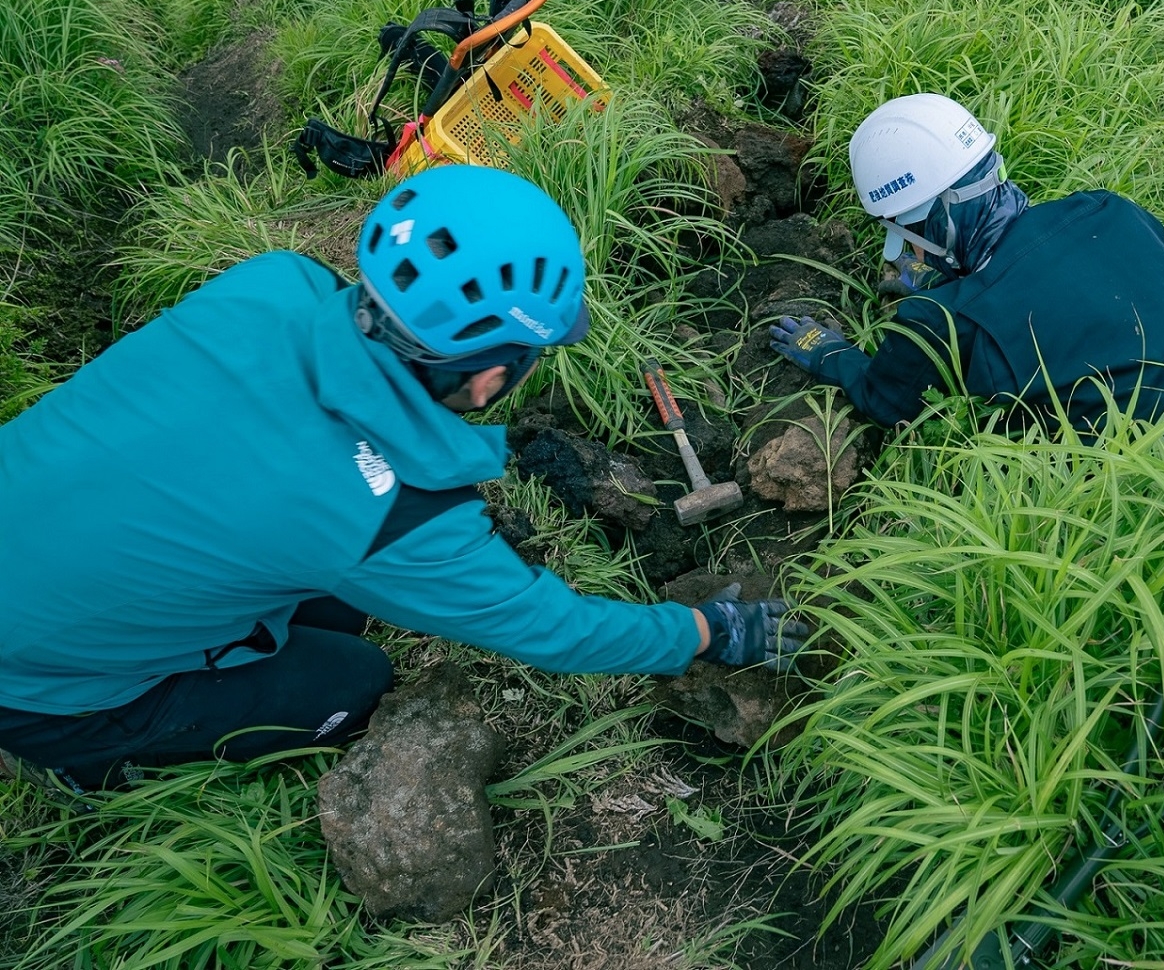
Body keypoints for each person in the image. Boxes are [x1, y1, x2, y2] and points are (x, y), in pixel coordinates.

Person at [0, 165, 804, 793]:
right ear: (489, 378)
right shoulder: (383, 516)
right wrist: (705, 631)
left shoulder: (273, 282)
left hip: (42, 530)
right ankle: (97, 761)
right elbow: (555, 630)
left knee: (339, 603)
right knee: (353, 679)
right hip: (39, 691)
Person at [770, 93, 1164, 431]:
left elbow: (886, 402)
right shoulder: (1112, 212)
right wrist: (942, 280)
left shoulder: (937, 320)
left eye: (905, 236)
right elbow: (1044, 287)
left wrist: (831, 353)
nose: (909, 253)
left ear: (937, 223)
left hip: (1121, 498)